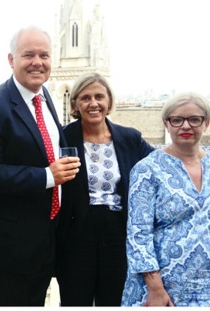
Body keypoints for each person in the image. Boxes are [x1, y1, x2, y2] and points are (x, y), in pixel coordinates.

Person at [0, 26, 81, 306]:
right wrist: (46, 176)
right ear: (11, 60)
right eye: (28, 54)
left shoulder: (45, 98)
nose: (37, 62)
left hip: (44, 240)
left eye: (44, 55)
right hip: (8, 249)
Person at [121, 92, 210, 307]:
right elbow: (138, 234)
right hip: (164, 285)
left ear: (206, 123)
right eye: (177, 120)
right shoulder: (147, 169)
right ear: (166, 124)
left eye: (194, 119)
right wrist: (155, 289)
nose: (185, 126)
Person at [55, 72, 154, 306]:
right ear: (75, 104)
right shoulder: (62, 137)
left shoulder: (129, 138)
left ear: (109, 101)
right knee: (74, 300)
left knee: (113, 300)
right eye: (85, 97)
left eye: (99, 96)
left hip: (117, 233)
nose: (93, 103)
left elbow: (164, 165)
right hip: (76, 235)